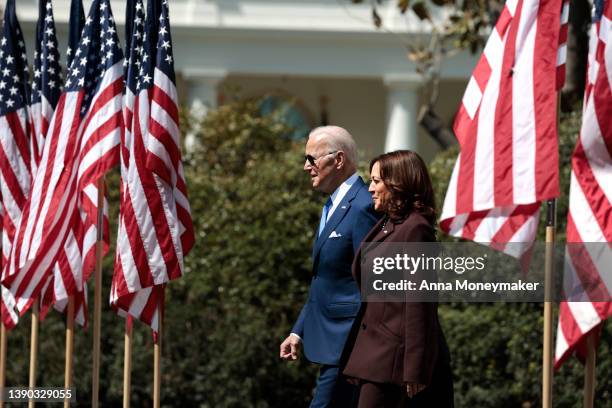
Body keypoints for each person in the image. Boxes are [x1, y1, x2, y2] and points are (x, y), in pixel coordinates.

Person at [342, 150, 453, 407]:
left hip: (397, 361)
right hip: (377, 356)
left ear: (398, 183)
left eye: (376, 181)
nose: (370, 188)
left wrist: (413, 368)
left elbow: (419, 302)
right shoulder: (388, 224)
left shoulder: (416, 229)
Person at [279, 126, 380, 407]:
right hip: (329, 341)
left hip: (348, 344)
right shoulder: (331, 205)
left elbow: (372, 282)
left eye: (312, 159)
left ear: (338, 160)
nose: (306, 167)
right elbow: (324, 278)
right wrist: (298, 330)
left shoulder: (362, 206)